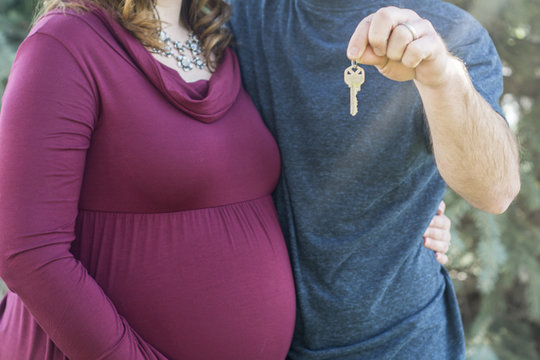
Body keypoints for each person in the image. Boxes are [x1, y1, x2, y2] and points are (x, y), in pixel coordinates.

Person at [0, 0, 453, 359]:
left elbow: (303, 165)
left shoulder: (221, 40)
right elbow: (27, 252)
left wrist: (410, 217)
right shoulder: (66, 42)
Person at [228, 0, 521, 359]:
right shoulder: (231, 18)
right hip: (262, 342)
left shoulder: (449, 34)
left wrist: (441, 78)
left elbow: (496, 191)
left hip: (403, 342)